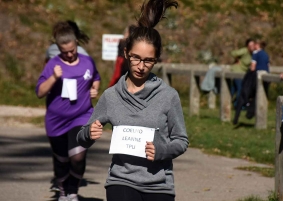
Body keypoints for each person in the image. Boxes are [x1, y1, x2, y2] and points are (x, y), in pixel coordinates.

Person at [77, 1, 189, 201]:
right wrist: (89, 133)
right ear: (126, 53)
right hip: (121, 181)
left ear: (156, 60)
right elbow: (81, 137)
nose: (140, 66)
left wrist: (162, 151)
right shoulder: (111, 96)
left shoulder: (168, 96)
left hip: (159, 185)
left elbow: (181, 140)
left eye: (148, 60)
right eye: (136, 58)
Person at [36, 21, 101, 201]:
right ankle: (63, 192)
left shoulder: (87, 62)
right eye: (65, 52)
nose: (70, 55)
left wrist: (94, 89)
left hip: (82, 116)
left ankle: (73, 192)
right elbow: (40, 92)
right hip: (56, 121)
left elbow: (95, 77)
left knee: (78, 156)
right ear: (58, 49)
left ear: (76, 45)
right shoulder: (53, 65)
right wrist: (54, 77)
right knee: (62, 160)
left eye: (72, 50)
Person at [230, 38, 255, 105]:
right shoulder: (244, 50)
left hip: (243, 73)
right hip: (237, 71)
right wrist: (237, 59)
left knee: (233, 89)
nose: (252, 46)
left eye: (253, 45)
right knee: (240, 89)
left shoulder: (253, 54)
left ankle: (227, 103)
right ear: (247, 46)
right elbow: (233, 53)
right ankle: (237, 105)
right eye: (250, 45)